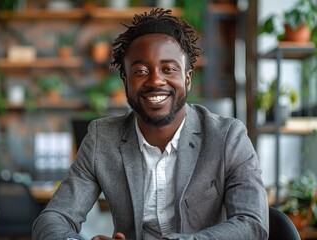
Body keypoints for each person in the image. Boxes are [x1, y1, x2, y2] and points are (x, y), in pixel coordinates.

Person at [32, 8, 269, 240]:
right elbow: (54, 218)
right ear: (125, 80)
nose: (155, 80)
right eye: (141, 70)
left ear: (187, 79)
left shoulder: (229, 137)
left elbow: (252, 223)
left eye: (168, 69)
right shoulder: (101, 139)